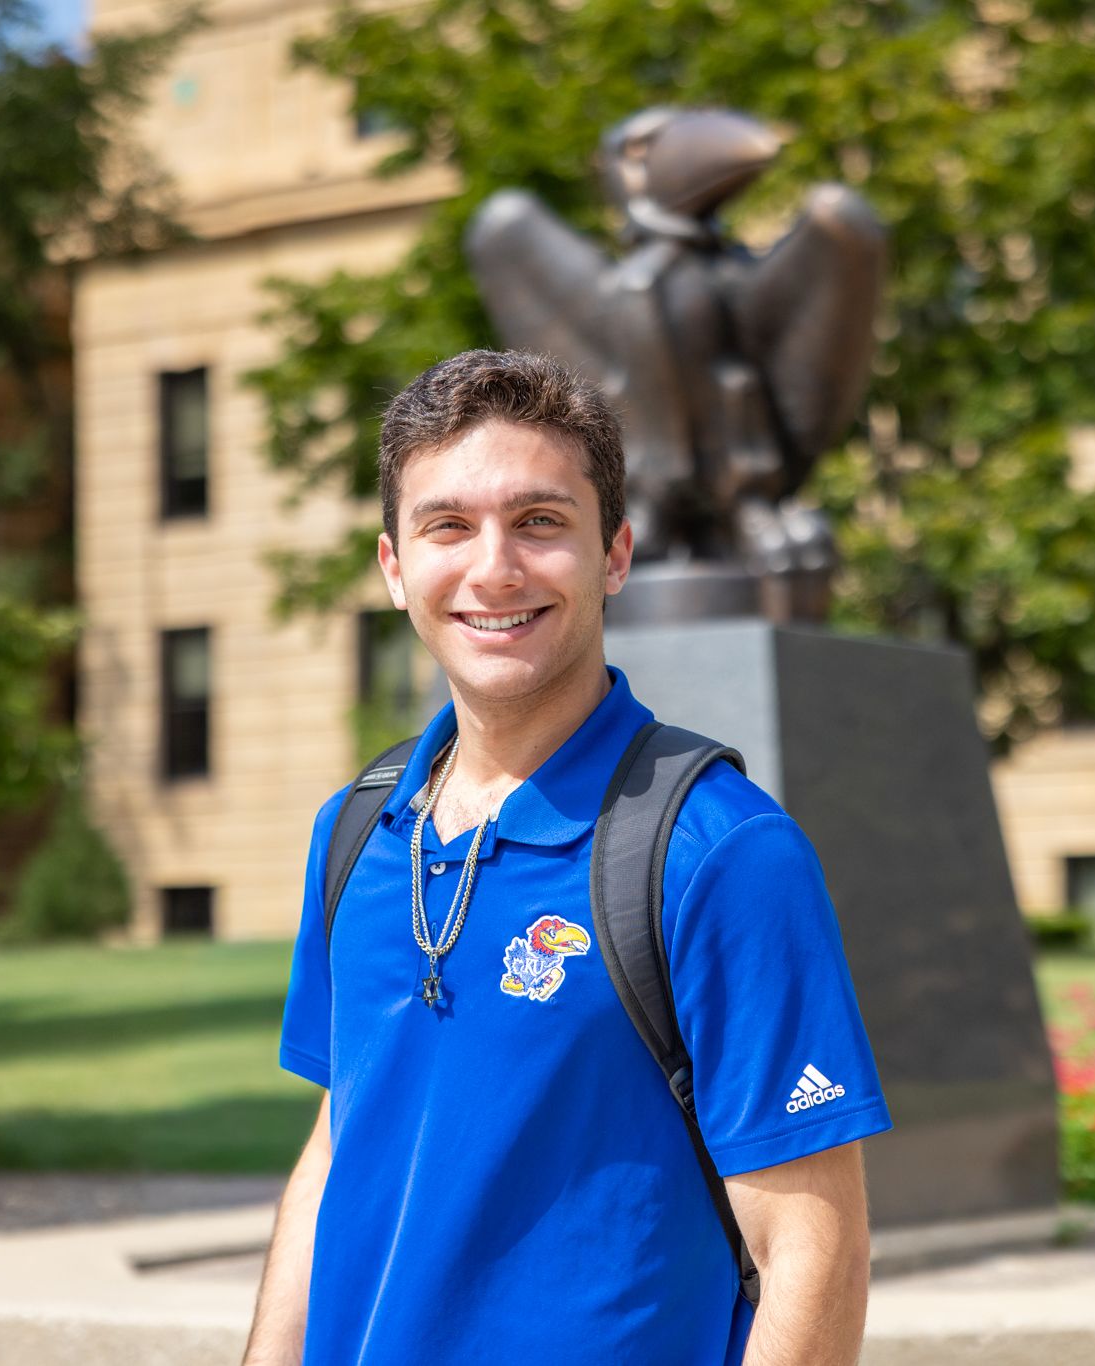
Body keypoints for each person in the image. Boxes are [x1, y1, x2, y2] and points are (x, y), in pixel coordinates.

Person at [241, 349, 891, 1366]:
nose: (492, 567)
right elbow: (335, 1150)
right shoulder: (357, 832)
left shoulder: (719, 851)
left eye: (539, 522)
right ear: (393, 566)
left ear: (615, 554)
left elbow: (814, 1251)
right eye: (446, 525)